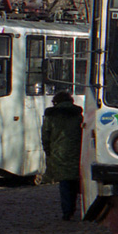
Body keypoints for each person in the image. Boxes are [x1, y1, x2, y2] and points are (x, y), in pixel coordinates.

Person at [41, 91, 83, 220]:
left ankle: (66, 211)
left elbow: (45, 135)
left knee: (64, 182)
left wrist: (48, 150)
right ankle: (74, 207)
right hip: (77, 152)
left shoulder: (51, 115)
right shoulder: (78, 115)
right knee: (74, 181)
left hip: (58, 153)